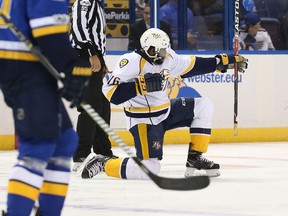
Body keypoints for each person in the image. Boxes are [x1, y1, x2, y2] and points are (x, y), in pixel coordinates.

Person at [79, 28, 248, 180]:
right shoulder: (130, 62)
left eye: (163, 49)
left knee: (204, 105)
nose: (161, 54)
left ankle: (195, 158)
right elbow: (110, 93)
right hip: (143, 121)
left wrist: (220, 62)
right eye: (156, 50)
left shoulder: (168, 57)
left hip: (166, 112)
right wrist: (139, 86)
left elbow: (191, 65)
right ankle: (104, 163)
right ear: (146, 48)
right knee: (151, 169)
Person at [0, 0, 92, 215]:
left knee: (64, 140)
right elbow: (49, 33)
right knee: (38, 146)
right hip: (25, 69)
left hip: (20, 66)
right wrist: (72, 67)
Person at [69, 0, 117, 172]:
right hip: (84, 56)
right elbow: (79, 28)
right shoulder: (85, 1)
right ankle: (81, 154)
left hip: (92, 56)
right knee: (91, 106)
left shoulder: (95, 3)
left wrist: (101, 60)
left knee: (103, 105)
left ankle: (103, 152)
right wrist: (91, 54)